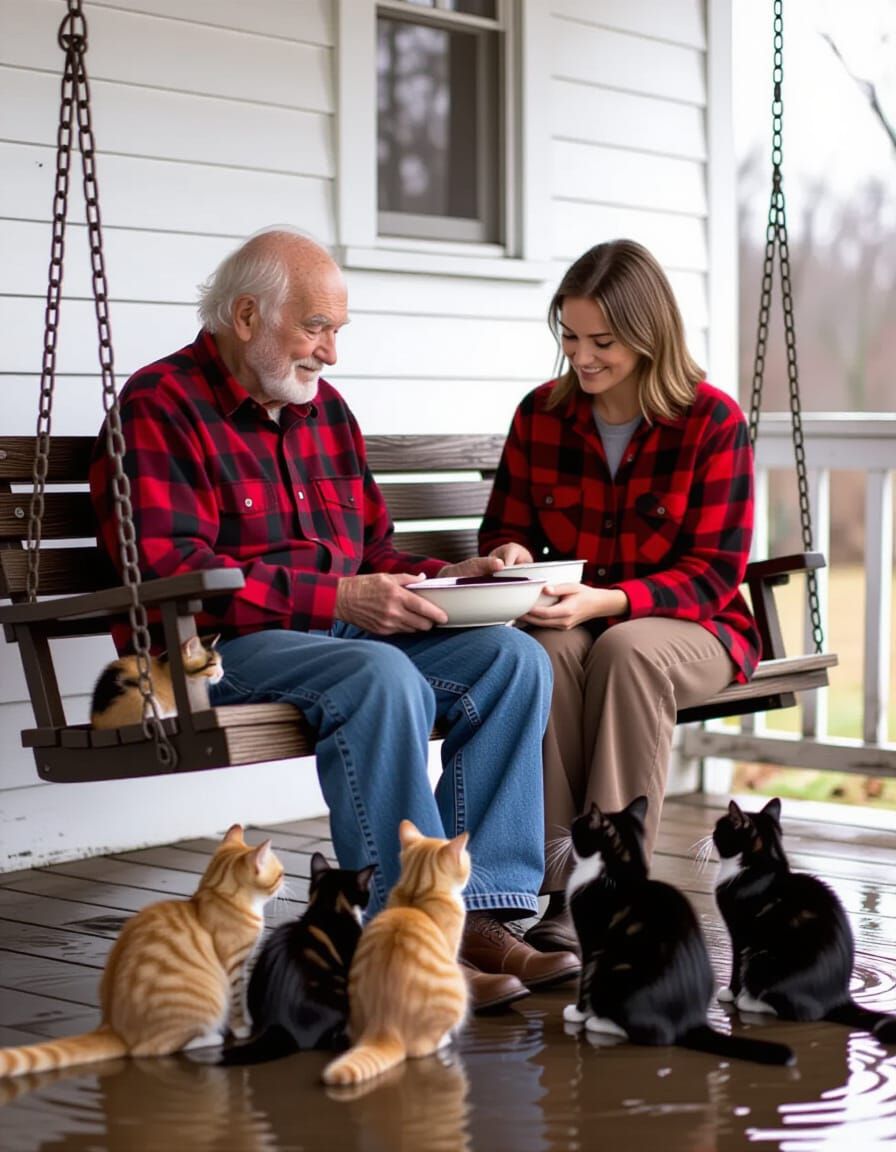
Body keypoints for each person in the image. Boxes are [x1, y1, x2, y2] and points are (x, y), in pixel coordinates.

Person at [88, 227, 580, 1011]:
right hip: (210, 651)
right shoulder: (161, 406)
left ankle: (479, 912)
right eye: (316, 328)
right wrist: (340, 601)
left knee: (510, 660)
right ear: (246, 316)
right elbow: (167, 574)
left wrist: (454, 579)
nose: (330, 353)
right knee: (377, 674)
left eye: (336, 332)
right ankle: (405, 937)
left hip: (337, 638)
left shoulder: (326, 412)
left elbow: (375, 552)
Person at [479, 239, 761, 955]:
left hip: (694, 625)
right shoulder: (541, 414)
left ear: (647, 334)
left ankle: (611, 890)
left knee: (627, 651)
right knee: (541, 648)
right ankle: (557, 889)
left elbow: (713, 572)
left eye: (602, 341)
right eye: (570, 337)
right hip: (574, 619)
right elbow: (505, 528)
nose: (583, 356)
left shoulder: (711, 422)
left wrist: (607, 602)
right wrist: (508, 554)